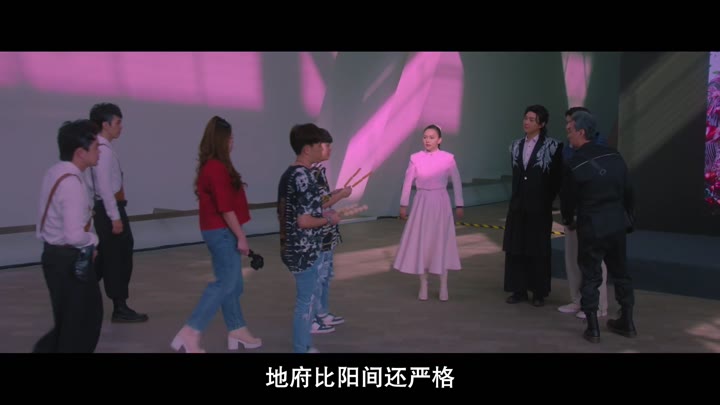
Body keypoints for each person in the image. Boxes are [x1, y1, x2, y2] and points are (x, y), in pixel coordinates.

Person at [171, 116, 261, 353]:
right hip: (221, 232)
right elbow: (225, 208)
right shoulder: (216, 168)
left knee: (233, 283)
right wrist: (241, 236)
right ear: (221, 141)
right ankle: (191, 331)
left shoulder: (215, 166)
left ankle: (237, 328)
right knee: (226, 283)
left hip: (220, 231)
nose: (233, 142)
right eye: (230, 138)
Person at [561, 110, 637, 343]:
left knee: (591, 275)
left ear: (581, 132)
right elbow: (629, 190)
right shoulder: (615, 155)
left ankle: (593, 327)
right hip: (616, 223)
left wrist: (568, 220)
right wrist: (628, 218)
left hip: (591, 225)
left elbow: (568, 200)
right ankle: (627, 321)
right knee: (621, 273)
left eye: (570, 130)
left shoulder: (574, 163)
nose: (568, 135)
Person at [33, 119, 104, 353]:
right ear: (80, 153)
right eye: (95, 147)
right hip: (69, 260)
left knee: (69, 323)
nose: (99, 152)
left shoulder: (55, 172)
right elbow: (74, 236)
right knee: (83, 324)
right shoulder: (71, 183)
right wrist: (93, 240)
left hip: (54, 257)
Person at [277, 123, 341, 353]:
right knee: (305, 302)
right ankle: (301, 348)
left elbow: (292, 212)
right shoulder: (303, 176)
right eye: (318, 145)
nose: (323, 149)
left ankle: (303, 345)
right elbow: (303, 221)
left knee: (306, 300)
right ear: (307, 149)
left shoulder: (289, 174)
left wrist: (323, 212)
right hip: (303, 250)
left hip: (291, 247)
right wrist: (328, 219)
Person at [87, 102, 147, 323]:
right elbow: (104, 187)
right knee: (118, 257)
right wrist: (115, 217)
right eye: (118, 122)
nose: (121, 127)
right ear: (105, 124)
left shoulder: (99, 148)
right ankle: (119, 307)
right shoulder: (103, 151)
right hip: (110, 208)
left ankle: (81, 295)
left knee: (106, 256)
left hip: (106, 208)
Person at [393, 124, 464, 301]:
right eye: (425, 137)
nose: (427, 140)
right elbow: (408, 182)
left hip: (441, 202)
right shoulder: (415, 158)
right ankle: (423, 285)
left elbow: (456, 182)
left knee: (441, 241)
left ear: (439, 140)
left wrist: (459, 204)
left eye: (432, 137)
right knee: (422, 242)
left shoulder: (448, 158)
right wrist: (403, 204)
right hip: (422, 202)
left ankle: (443, 285)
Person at [503, 105, 563, 307]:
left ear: (542, 123)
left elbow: (556, 178)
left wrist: (546, 199)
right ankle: (518, 289)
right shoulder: (515, 145)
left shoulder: (553, 146)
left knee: (538, 248)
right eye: (526, 118)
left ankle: (538, 291)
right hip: (518, 206)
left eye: (532, 119)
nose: (526, 122)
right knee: (516, 247)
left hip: (539, 206)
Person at [557, 107, 609, 319]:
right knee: (572, 259)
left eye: (571, 125)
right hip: (572, 213)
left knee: (594, 262)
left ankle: (597, 305)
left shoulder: (601, 148)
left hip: (592, 214)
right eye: (567, 124)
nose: (568, 129)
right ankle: (577, 300)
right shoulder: (567, 149)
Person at [309, 128, 352, 334]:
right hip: (318, 233)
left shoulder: (319, 170)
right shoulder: (310, 172)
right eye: (326, 145)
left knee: (325, 275)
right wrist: (340, 196)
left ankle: (322, 312)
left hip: (327, 233)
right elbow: (319, 203)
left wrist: (335, 193)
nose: (330, 149)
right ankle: (313, 317)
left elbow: (324, 197)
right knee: (317, 277)